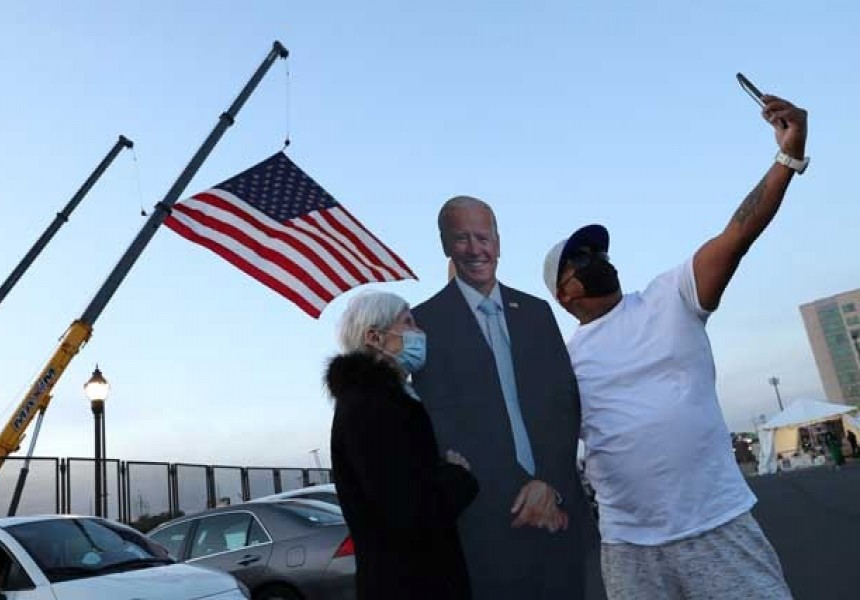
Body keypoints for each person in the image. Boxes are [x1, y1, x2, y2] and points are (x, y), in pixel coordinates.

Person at [542, 93, 806, 599]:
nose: (599, 258)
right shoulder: (564, 361)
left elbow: (738, 234)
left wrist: (787, 158)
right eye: (583, 259)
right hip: (628, 548)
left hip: (718, 526)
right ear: (565, 293)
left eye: (600, 250)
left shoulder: (672, 296)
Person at [413, 196, 597, 599]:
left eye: (484, 236)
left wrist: (548, 483)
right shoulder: (425, 322)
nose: (476, 249)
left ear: (498, 240)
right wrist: (521, 492)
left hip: (559, 515)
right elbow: (442, 420)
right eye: (462, 238)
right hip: (490, 527)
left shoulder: (535, 312)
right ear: (445, 245)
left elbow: (564, 403)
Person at [326, 291, 479, 600]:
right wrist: (458, 478)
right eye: (408, 323)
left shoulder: (384, 401)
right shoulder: (370, 409)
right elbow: (407, 510)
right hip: (409, 586)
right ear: (374, 336)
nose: (419, 333)